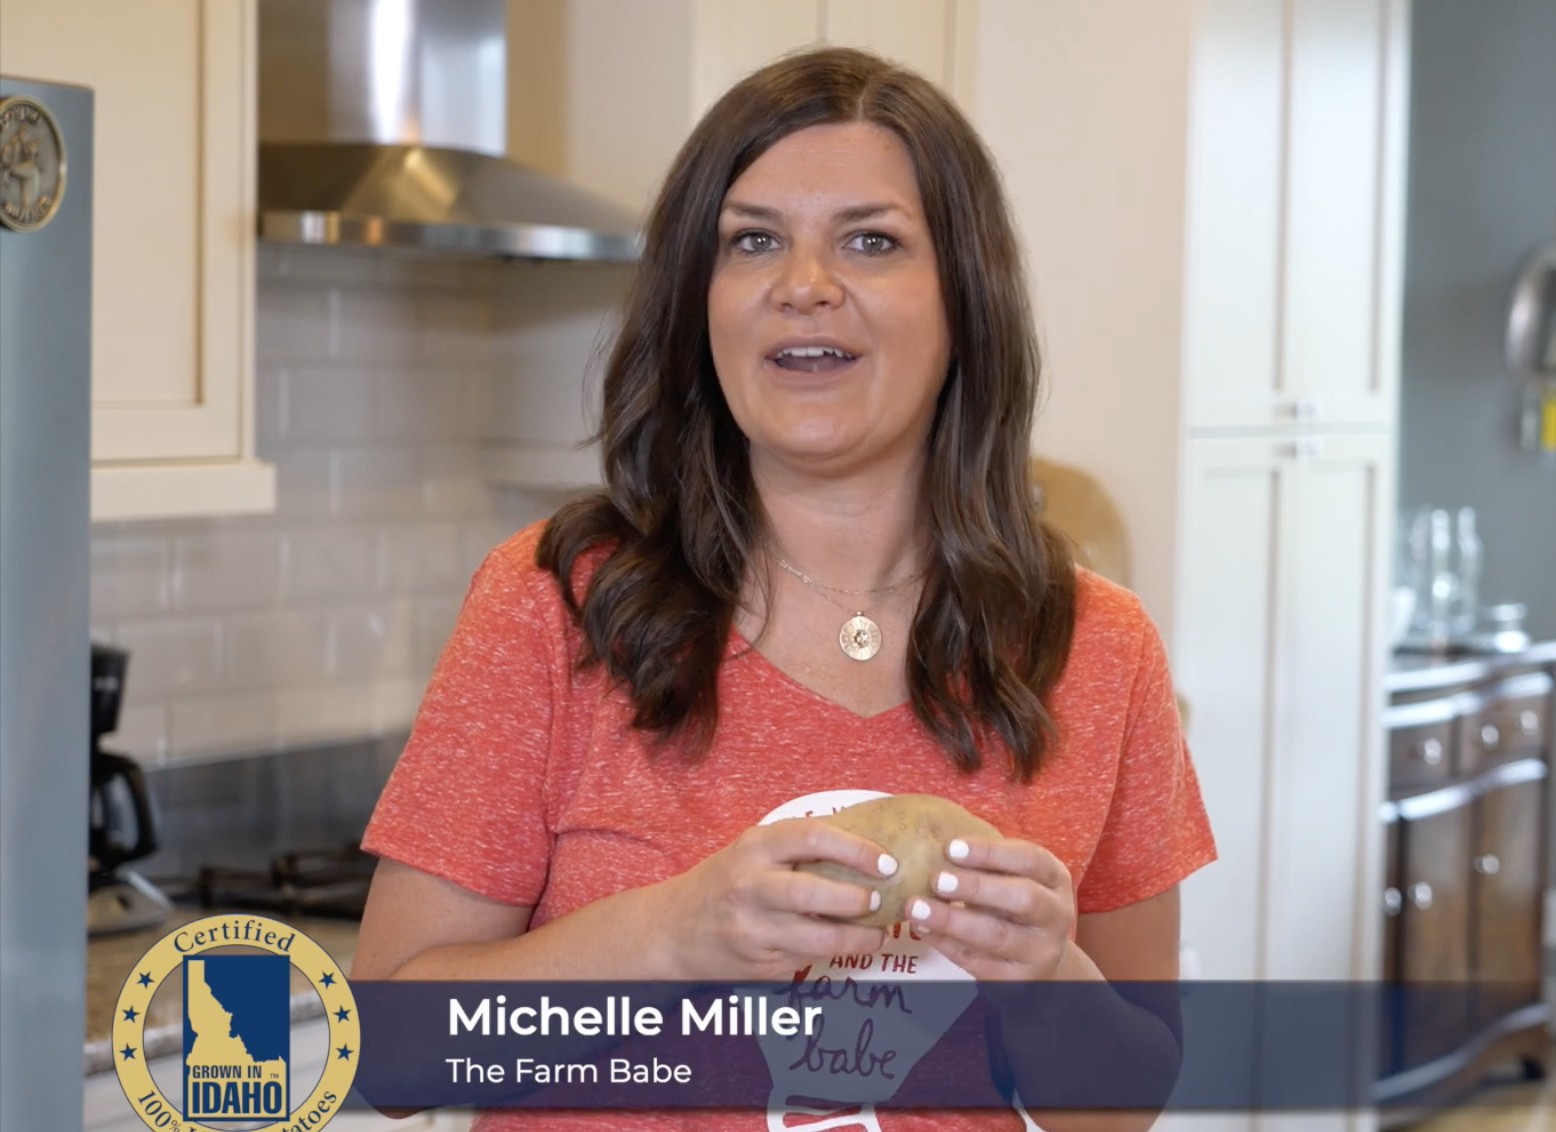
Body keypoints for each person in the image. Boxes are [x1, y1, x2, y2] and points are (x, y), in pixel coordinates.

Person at [354, 45, 1217, 1132]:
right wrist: (673, 933)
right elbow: (389, 1054)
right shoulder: (556, 602)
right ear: (699, 302)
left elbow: (1125, 1103)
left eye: (869, 239)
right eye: (752, 240)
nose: (803, 283)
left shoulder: (1095, 645)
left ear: (963, 300)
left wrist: (1045, 977)